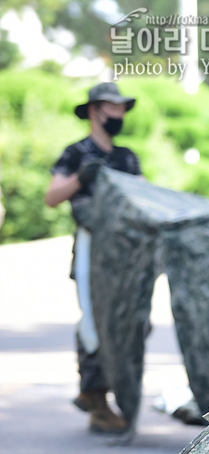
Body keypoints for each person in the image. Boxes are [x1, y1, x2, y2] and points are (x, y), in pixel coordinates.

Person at [46, 82, 142, 434]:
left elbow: (145, 198)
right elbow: (52, 197)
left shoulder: (126, 157)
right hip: (91, 247)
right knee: (94, 323)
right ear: (93, 110)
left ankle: (98, 392)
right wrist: (78, 179)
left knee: (131, 321)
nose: (117, 114)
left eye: (121, 108)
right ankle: (96, 397)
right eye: (110, 107)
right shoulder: (76, 153)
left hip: (123, 250)